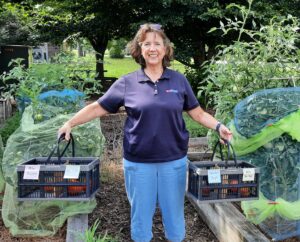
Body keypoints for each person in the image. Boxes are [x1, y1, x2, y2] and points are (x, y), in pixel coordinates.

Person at [58, 23, 232, 242]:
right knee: (140, 217)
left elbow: (197, 114)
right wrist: (70, 123)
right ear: (139, 49)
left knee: (175, 217)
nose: (152, 48)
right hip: (139, 163)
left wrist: (219, 126)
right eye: (147, 43)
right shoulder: (127, 82)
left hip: (174, 160)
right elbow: (98, 107)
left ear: (166, 49)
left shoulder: (179, 80)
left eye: (157, 43)